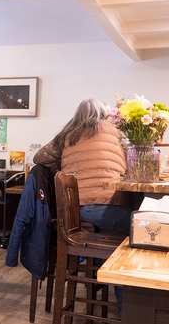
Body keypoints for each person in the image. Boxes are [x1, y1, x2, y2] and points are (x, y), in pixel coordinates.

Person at [33, 98, 131, 235]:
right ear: (104, 113)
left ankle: (98, 254)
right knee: (143, 225)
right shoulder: (116, 131)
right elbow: (133, 159)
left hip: (76, 208)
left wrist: (61, 166)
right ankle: (105, 255)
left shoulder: (66, 134)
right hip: (111, 204)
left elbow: (39, 157)